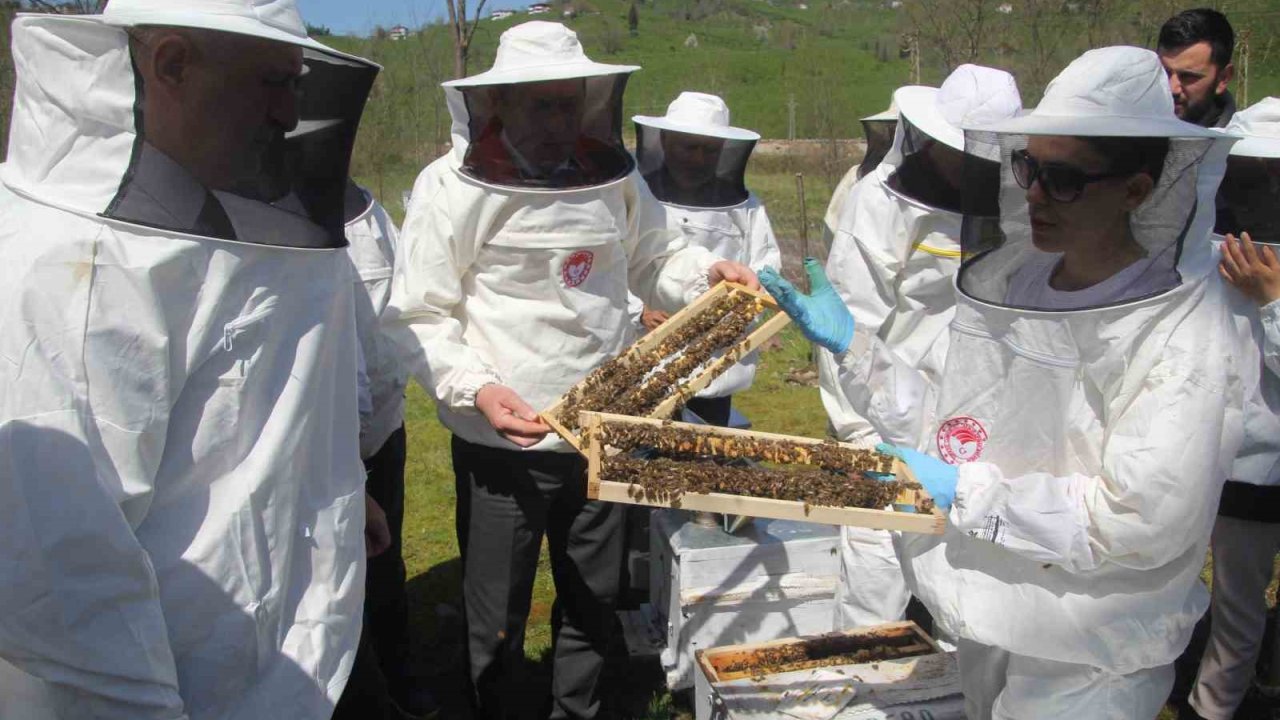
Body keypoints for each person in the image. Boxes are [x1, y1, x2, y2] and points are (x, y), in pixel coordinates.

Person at [761, 46, 1262, 718]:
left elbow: (1139, 518)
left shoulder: (1190, 328)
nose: (1032, 195)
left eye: (1064, 179)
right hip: (983, 615)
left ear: (1136, 190)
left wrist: (961, 491)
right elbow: (957, 426)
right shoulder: (1017, 281)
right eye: (1028, 167)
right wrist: (860, 352)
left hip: (1090, 654)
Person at [0, 1, 380, 719]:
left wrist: (330, 482)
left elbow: (231, 403)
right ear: (171, 64)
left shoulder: (213, 213)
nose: (288, 112)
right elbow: (63, 581)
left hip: (257, 655)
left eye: (299, 85)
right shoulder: (74, 264)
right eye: (272, 82)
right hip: (154, 683)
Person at [384, 22, 757, 720]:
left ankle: (576, 711)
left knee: (593, 598)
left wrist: (707, 273)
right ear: (500, 107)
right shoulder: (451, 186)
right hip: (503, 442)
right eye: (541, 105)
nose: (559, 121)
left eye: (568, 103)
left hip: (604, 425)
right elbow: (420, 312)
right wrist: (478, 389)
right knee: (497, 610)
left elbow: (654, 259)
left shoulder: (610, 175)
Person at [817, 65, 1021, 631]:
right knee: (873, 594)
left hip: (981, 426)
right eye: (964, 150)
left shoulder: (1019, 203)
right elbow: (849, 320)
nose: (975, 163)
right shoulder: (879, 203)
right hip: (886, 421)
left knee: (970, 597)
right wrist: (861, 434)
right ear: (929, 139)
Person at [1185, 98, 1280, 720]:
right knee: (1238, 614)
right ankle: (1213, 709)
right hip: (1238, 465)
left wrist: (1270, 301)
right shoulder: (1203, 252)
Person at [629, 91, 781, 426]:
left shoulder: (747, 207)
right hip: (639, 365)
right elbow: (616, 266)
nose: (698, 158)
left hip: (715, 368)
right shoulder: (636, 196)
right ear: (666, 142)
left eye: (709, 150)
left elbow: (765, 268)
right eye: (689, 146)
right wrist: (637, 311)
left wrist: (743, 303)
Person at [1158, 8, 1236, 128]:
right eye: (1164, 73)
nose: (1172, 89)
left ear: (1223, 79)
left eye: (1188, 77)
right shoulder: (1127, 134)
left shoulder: (1238, 144)